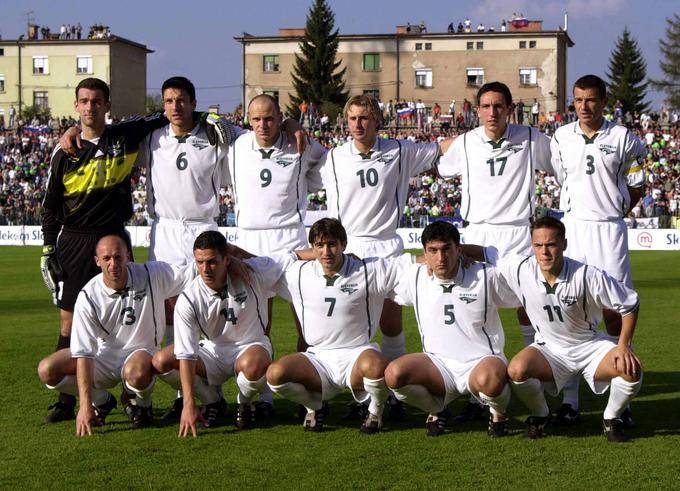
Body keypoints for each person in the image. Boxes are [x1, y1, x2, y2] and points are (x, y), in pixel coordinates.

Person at [39, 78, 170, 423]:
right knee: (68, 321)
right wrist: (48, 248)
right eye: (84, 101)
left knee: (131, 309)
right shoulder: (64, 150)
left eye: (97, 101)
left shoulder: (124, 134)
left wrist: (206, 117)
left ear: (107, 106)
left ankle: (132, 388)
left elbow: (169, 112)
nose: (90, 107)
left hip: (113, 237)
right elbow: (51, 206)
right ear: (76, 106)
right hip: (76, 239)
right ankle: (71, 401)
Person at [318, 94, 453, 419]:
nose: (358, 125)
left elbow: (441, 147)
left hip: (386, 248)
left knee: (391, 324)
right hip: (348, 251)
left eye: (364, 118)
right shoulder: (332, 157)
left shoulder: (398, 150)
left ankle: (396, 393)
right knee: (351, 327)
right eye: (352, 119)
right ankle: (362, 394)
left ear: (377, 120)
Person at [438, 81, 552, 420]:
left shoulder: (531, 138)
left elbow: (566, 161)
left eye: (498, 106)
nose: (492, 112)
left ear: (510, 109)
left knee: (528, 306)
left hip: (517, 233)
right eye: (485, 106)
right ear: (477, 110)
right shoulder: (466, 143)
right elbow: (440, 160)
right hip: (476, 235)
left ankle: (539, 376)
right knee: (476, 308)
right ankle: (481, 390)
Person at [489, 217, 642, 442]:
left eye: (551, 244)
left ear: (564, 244)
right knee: (517, 370)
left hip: (589, 346)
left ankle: (611, 419)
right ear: (532, 246)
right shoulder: (520, 267)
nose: (544, 252)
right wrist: (455, 253)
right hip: (550, 350)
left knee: (631, 370)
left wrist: (623, 345)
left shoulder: (587, 275)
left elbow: (630, 304)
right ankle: (541, 415)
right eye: (538, 246)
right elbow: (486, 254)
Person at [549, 74, 646, 425]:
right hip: (575, 228)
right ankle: (571, 400)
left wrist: (618, 207)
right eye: (578, 100)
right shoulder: (560, 137)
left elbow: (637, 181)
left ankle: (624, 392)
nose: (584, 106)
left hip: (609, 230)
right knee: (573, 309)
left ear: (604, 101)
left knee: (615, 310)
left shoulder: (623, 138)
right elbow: (563, 178)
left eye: (591, 100)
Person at [37, 234, 195, 435]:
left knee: (136, 372)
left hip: (141, 354)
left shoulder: (151, 274)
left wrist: (230, 255)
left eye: (118, 257)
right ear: (97, 261)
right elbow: (84, 353)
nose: (113, 264)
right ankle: (102, 401)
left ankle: (143, 406)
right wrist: (86, 405)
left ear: (128, 255)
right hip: (104, 358)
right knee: (47, 369)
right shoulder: (88, 296)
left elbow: (191, 272)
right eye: (107, 259)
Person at [266, 218, 408, 433]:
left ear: (344, 244)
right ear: (312, 248)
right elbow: (262, 267)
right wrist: (293, 255)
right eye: (319, 246)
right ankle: (315, 406)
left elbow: (409, 264)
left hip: (357, 353)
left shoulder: (368, 269)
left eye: (332, 244)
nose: (326, 252)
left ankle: (375, 411)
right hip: (318, 357)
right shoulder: (298, 273)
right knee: (275, 375)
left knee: (378, 367)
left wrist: (455, 256)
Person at [152, 231, 295, 436]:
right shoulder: (189, 298)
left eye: (212, 262)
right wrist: (188, 403)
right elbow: (186, 354)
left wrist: (337, 257)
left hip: (251, 345)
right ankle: (212, 400)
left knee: (252, 365)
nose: (205, 269)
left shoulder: (251, 271)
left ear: (227, 260)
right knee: (160, 361)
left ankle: (244, 403)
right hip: (214, 351)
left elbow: (291, 257)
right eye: (199, 262)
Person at [384, 221, 519, 437]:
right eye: (433, 251)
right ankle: (438, 409)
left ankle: (498, 412)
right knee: (394, 375)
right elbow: (376, 273)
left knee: (490, 382)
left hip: (481, 361)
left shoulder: (485, 275)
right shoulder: (416, 277)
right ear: (425, 253)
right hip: (438, 365)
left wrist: (483, 253)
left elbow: (522, 288)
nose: (440, 258)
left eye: (447, 249)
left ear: (459, 249)